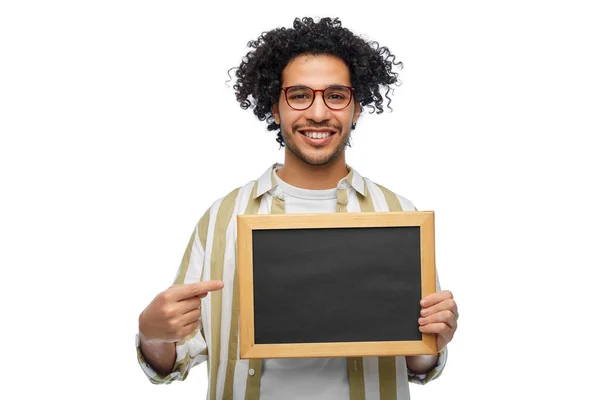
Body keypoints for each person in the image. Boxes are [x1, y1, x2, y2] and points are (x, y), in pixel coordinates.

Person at [136, 17, 459, 400]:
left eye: (336, 96)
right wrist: (152, 333)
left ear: (357, 108)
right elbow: (177, 356)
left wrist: (432, 340)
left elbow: (418, 360)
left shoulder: (399, 215)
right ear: (275, 107)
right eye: (300, 95)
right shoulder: (222, 217)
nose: (319, 114)